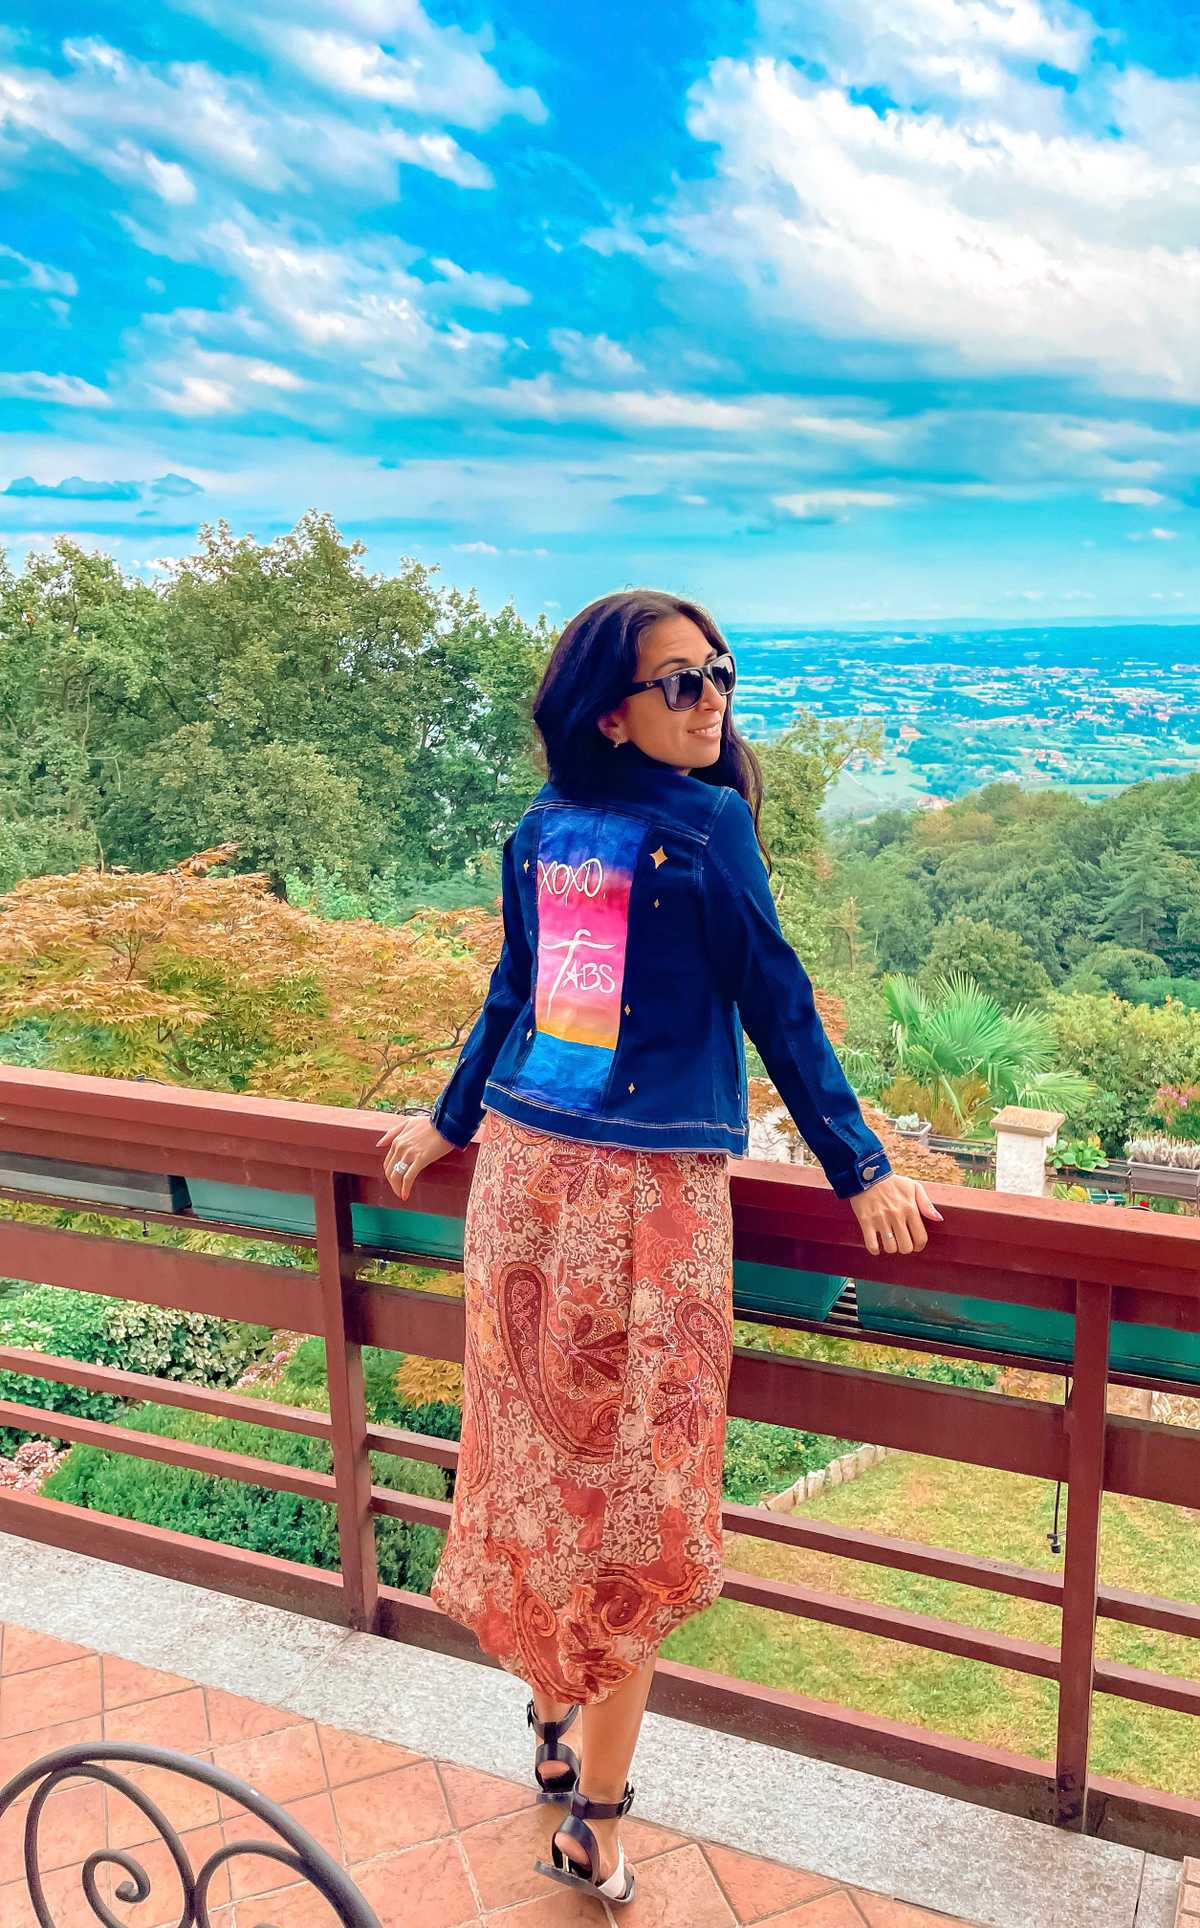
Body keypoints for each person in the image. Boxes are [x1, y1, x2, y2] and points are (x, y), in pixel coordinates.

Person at [376, 589, 943, 1905]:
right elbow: (517, 993)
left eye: (720, 674)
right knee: (553, 1480)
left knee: (619, 1495)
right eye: (681, 683)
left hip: (629, 1205)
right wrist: (446, 1115)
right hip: (543, 1184)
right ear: (610, 710)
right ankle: (588, 1799)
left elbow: (773, 996)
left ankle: (569, 1751)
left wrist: (860, 1163)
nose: (713, 701)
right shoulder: (552, 831)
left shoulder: (707, 826)